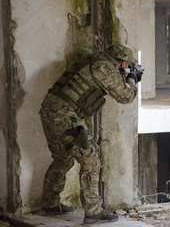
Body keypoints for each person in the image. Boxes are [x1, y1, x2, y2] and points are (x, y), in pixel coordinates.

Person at [39, 44, 142, 224]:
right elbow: (126, 96)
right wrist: (132, 79)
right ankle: (93, 211)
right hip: (65, 115)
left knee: (63, 157)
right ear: (123, 62)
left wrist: (126, 74)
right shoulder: (106, 69)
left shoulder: (96, 61)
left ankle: (49, 204)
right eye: (127, 65)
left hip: (51, 109)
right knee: (91, 159)